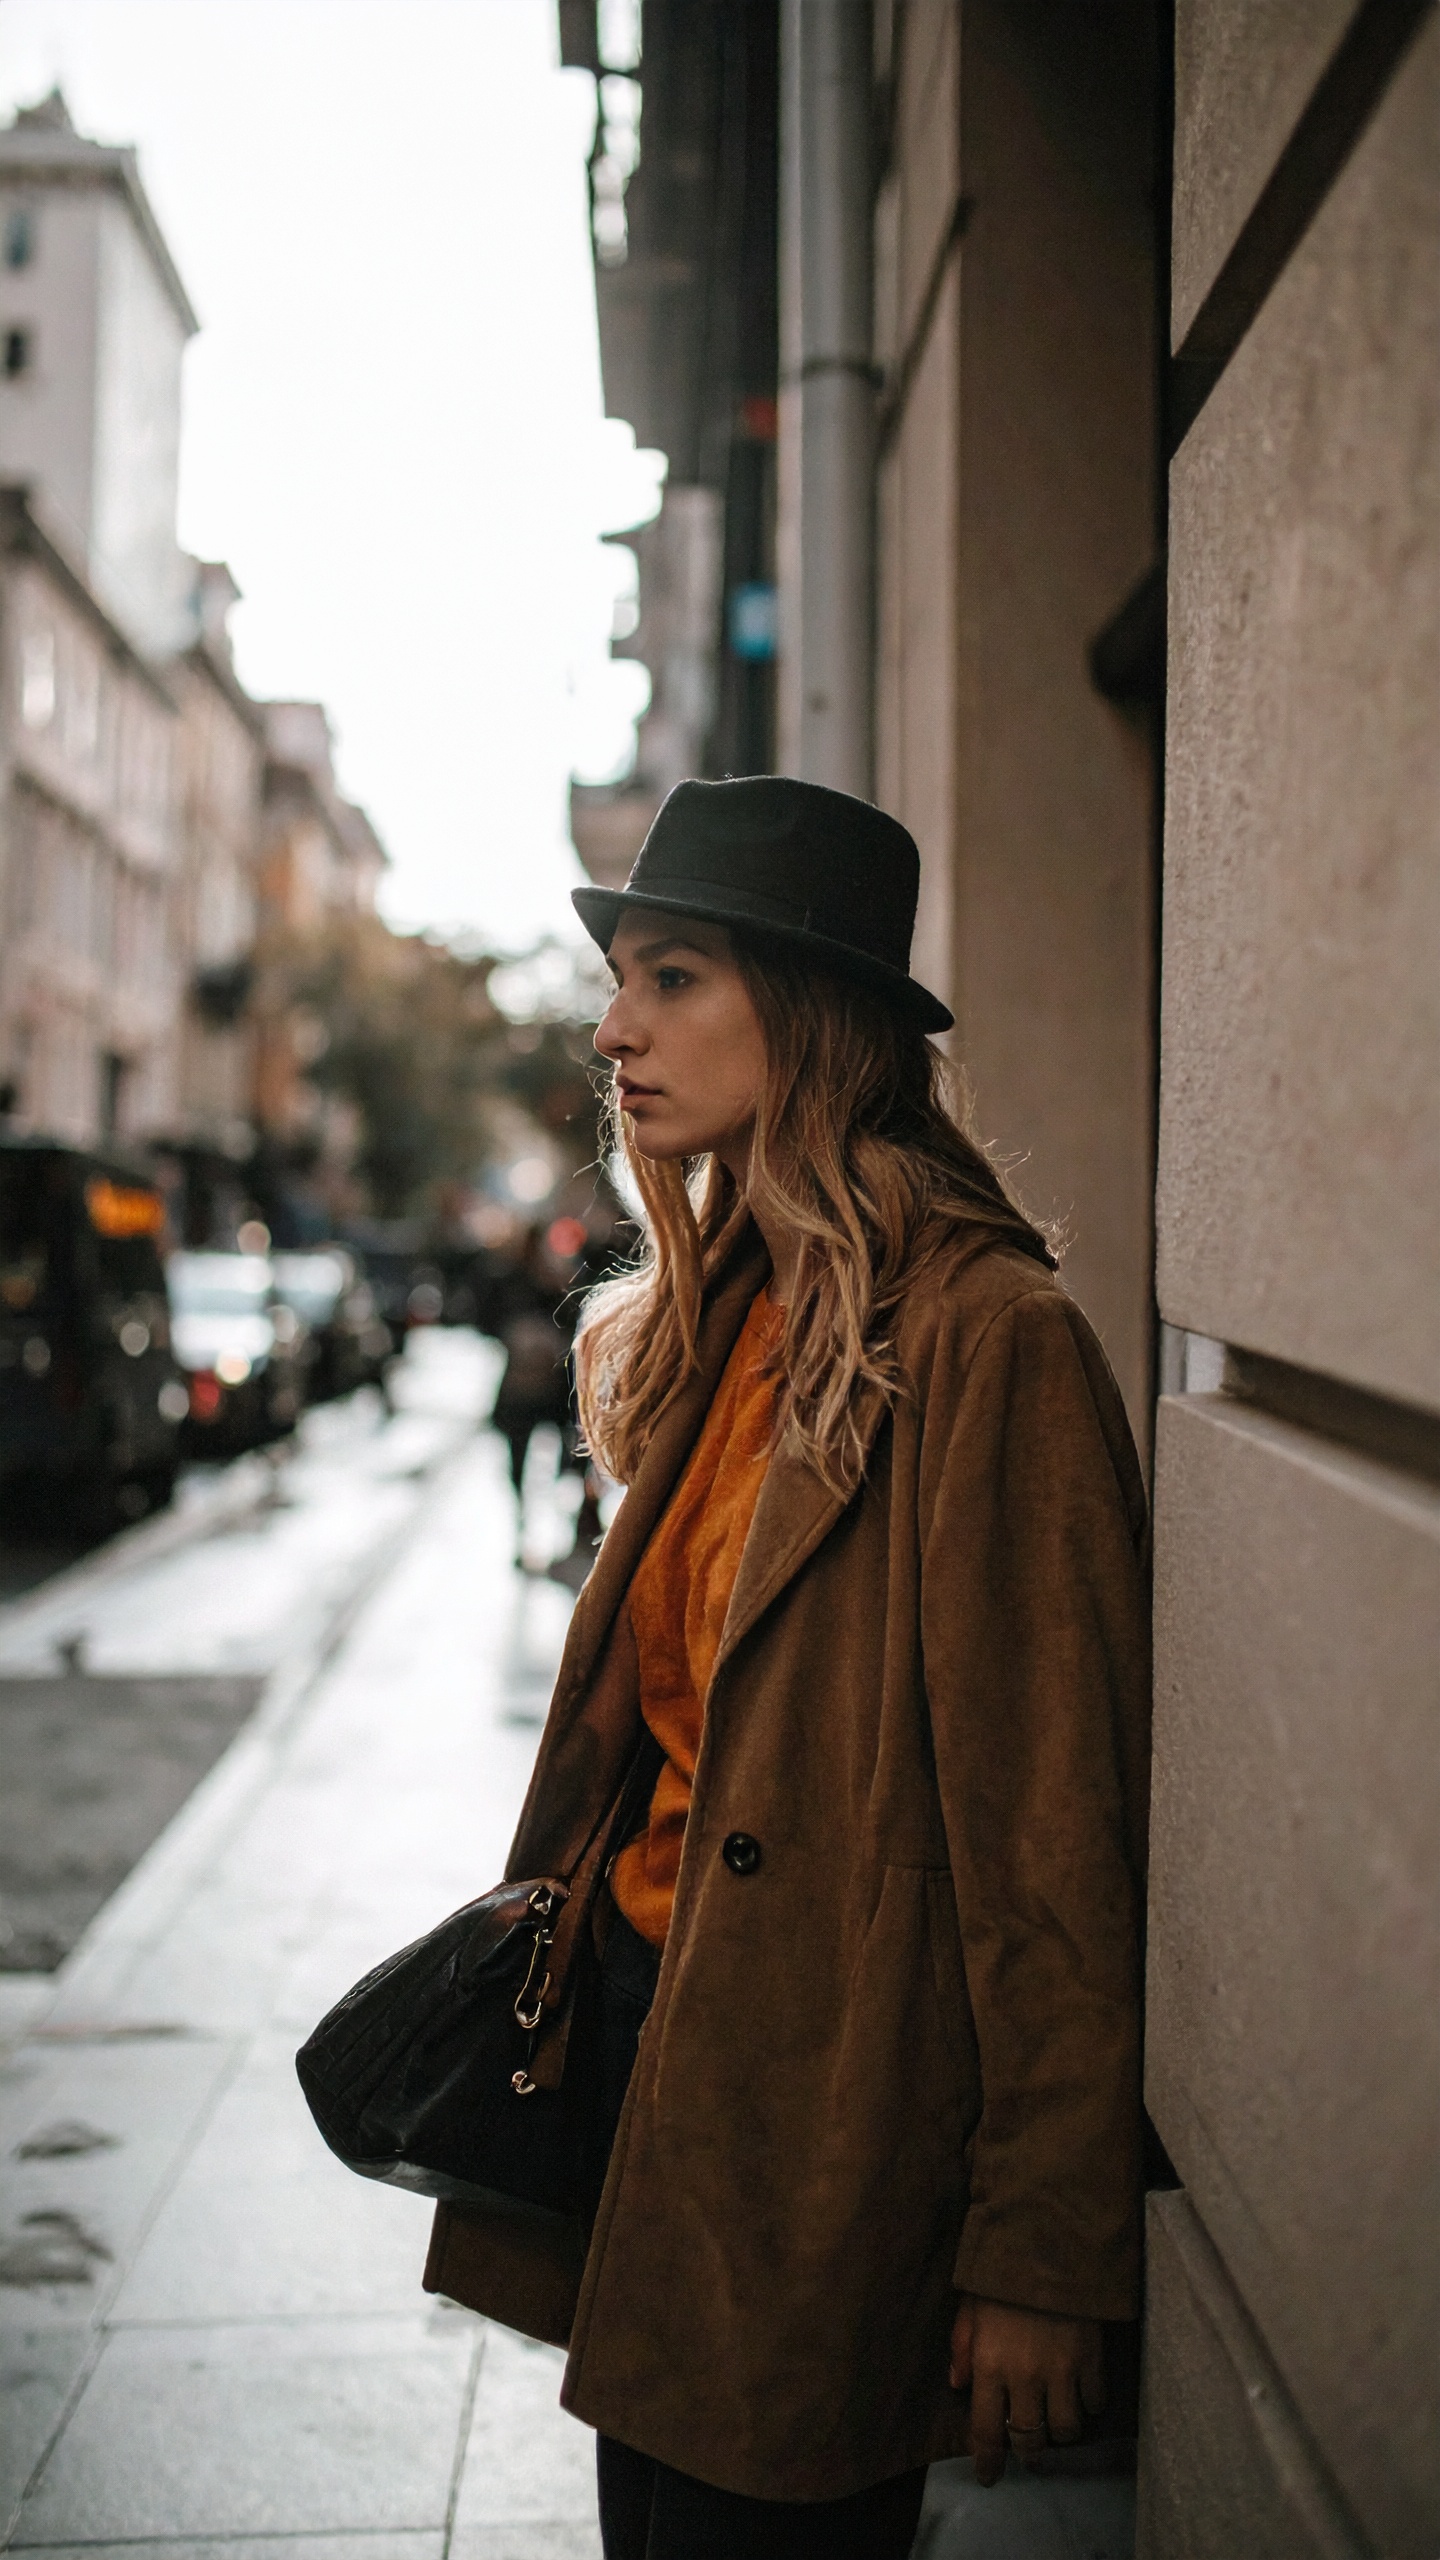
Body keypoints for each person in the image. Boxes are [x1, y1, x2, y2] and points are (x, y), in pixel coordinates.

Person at [424, 778, 1151, 2560]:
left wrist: (1041, 2248)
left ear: (809, 1013)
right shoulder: (716, 1314)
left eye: (671, 978)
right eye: (623, 982)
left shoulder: (995, 1345)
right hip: (648, 2063)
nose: (615, 1030)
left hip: (829, 2110)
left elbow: (1059, 1832)